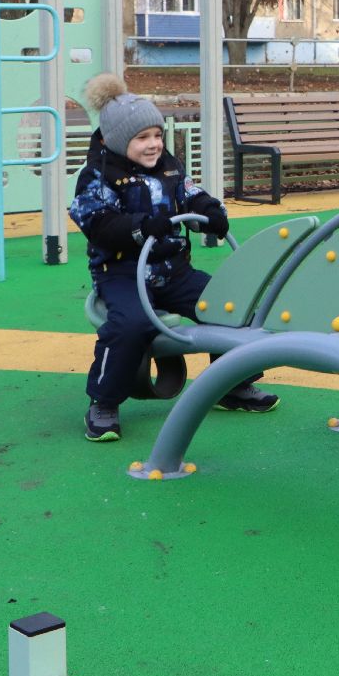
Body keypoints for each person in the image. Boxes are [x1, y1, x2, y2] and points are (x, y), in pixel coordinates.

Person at [70, 73, 278, 442]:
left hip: (173, 270)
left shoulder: (168, 166)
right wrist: (140, 226)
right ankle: (104, 401)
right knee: (130, 325)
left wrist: (209, 211)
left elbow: (189, 194)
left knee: (229, 306)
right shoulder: (99, 176)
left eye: (157, 135)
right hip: (122, 271)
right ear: (118, 140)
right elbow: (97, 223)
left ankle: (233, 384)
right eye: (142, 138)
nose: (153, 145)